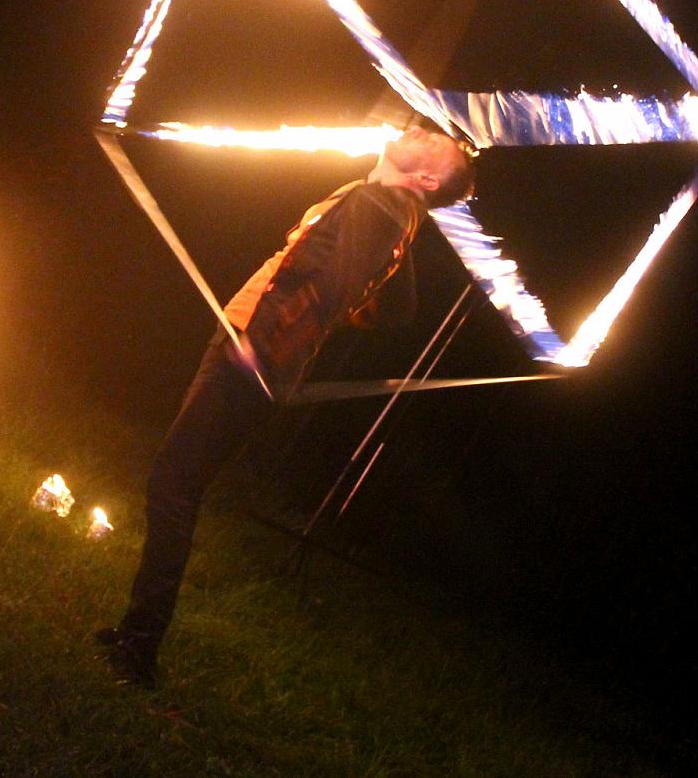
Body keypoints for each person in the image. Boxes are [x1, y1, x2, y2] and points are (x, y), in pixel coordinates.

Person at [97, 123, 475, 687]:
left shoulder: (381, 206)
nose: (420, 130)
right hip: (258, 347)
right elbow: (396, 308)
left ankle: (138, 648)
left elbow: (337, 285)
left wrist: (268, 340)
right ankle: (138, 636)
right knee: (180, 484)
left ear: (426, 179)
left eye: (434, 145)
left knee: (173, 485)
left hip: (254, 353)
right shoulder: (392, 213)